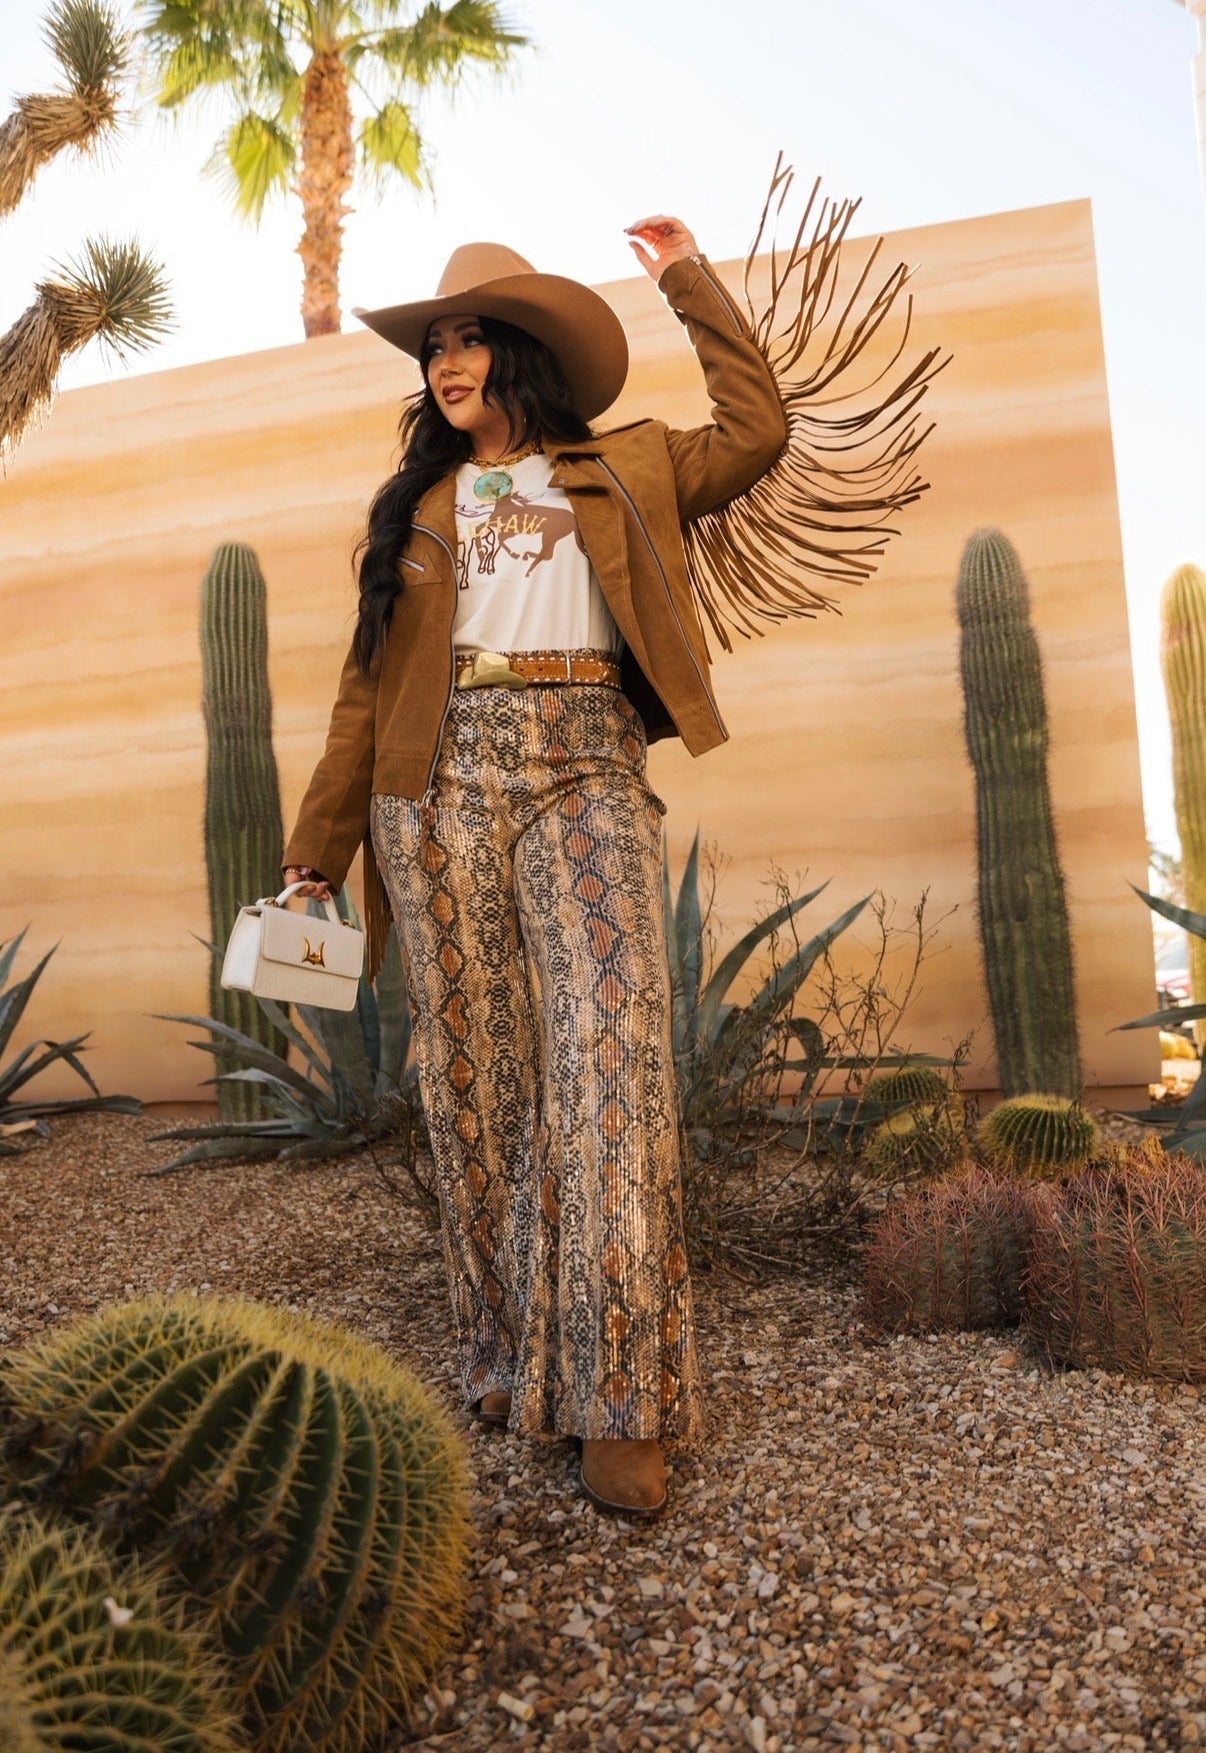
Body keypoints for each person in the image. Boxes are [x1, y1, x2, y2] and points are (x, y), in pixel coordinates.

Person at [280, 194, 933, 1519]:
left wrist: (691, 279)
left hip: (584, 757)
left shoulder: (627, 464)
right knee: (471, 1084)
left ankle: (620, 1400)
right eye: (433, 348)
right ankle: (509, 1349)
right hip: (434, 780)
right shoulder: (415, 501)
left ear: (521, 353)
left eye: (469, 340)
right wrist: (315, 854)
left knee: (609, 1060)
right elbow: (365, 691)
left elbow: (756, 432)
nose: (446, 363)